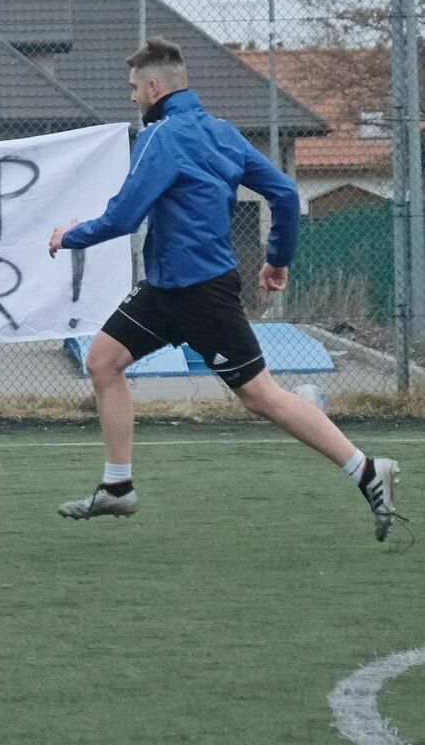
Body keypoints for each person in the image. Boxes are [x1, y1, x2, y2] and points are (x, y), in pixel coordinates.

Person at [48, 37, 404, 541]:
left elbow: (125, 216)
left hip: (200, 295)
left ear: (154, 87)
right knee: (103, 361)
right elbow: (283, 191)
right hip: (166, 291)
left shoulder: (159, 136)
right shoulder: (222, 133)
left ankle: (370, 472)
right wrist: (277, 260)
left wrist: (71, 235)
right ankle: (118, 486)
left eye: (133, 88)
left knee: (263, 399)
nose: (131, 98)